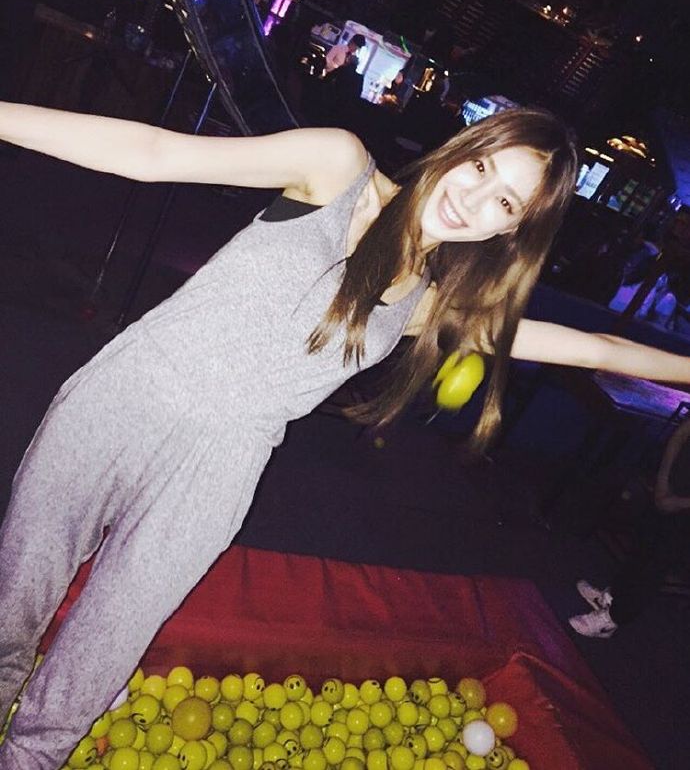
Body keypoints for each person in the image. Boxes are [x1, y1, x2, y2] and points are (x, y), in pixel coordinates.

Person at [1, 104, 690, 769]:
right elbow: (153, 153)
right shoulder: (337, 167)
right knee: (13, 604)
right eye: (482, 167)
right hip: (127, 395)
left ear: (512, 230)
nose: (474, 199)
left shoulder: (425, 305)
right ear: (462, 148)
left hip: (218, 470)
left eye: (505, 202)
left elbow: (595, 348)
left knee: (103, 649)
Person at [569, 417, 690, 639]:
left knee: (656, 565)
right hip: (669, 488)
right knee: (642, 547)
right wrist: (662, 483)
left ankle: (612, 619)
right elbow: (681, 434)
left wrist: (679, 503)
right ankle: (611, 599)